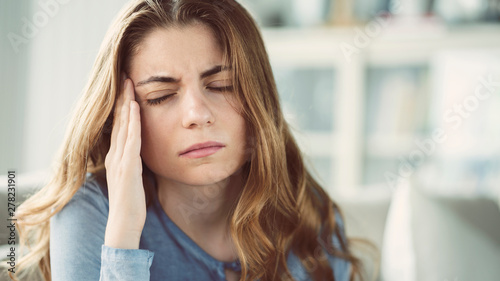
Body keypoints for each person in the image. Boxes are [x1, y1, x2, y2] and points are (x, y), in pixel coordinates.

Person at [13, 0, 363, 280]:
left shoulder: (305, 209)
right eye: (162, 95)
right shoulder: (91, 212)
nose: (197, 113)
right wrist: (123, 235)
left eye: (222, 86)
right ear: (119, 118)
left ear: (259, 102)